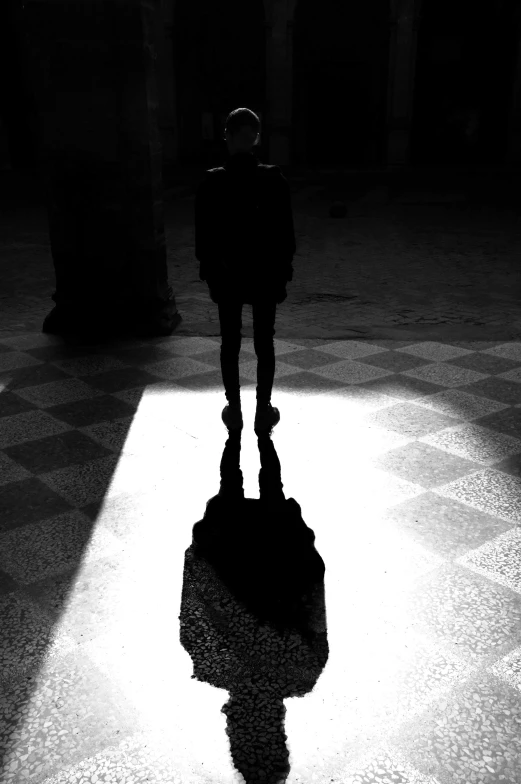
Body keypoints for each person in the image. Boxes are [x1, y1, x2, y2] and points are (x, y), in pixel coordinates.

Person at [195, 107, 296, 434]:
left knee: (230, 342)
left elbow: (204, 240)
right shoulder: (274, 179)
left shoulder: (212, 182)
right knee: (264, 342)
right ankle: (263, 408)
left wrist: (211, 274)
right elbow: (286, 237)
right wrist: (282, 274)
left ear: (227, 135)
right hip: (265, 274)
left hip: (228, 275)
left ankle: (233, 408)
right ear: (255, 138)